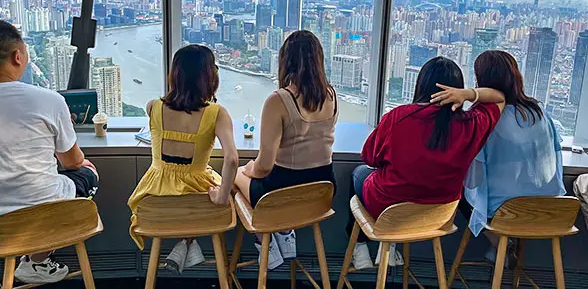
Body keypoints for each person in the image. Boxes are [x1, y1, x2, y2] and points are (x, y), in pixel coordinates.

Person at [347, 56, 505, 270]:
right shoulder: (471, 125)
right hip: (439, 215)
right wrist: (468, 95)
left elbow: (370, 158)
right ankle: (391, 248)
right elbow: (499, 99)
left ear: (421, 85)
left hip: (388, 209)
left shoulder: (398, 117)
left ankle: (361, 250)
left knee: (359, 173)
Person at [0, 20, 99, 284]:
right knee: (87, 173)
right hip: (43, 212)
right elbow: (73, 161)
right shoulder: (48, 100)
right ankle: (38, 259)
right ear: (18, 56)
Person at [127, 44, 239, 274]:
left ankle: (184, 245)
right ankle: (189, 242)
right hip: (197, 194)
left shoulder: (153, 107)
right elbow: (232, 160)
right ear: (210, 77)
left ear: (175, 75)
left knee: (181, 200)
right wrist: (221, 197)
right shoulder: (216, 113)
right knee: (232, 190)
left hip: (157, 196)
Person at [234, 30, 338, 270]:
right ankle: (285, 234)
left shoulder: (279, 100)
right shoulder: (332, 95)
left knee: (235, 175)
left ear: (285, 61)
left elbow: (264, 167)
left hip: (279, 197)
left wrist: (248, 169)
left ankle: (265, 243)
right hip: (320, 195)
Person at [462, 50, 565, 263]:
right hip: (550, 209)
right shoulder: (540, 112)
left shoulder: (488, 118)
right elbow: (555, 155)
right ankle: (505, 248)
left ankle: (497, 242)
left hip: (506, 212)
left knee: (460, 195)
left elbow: (474, 175)